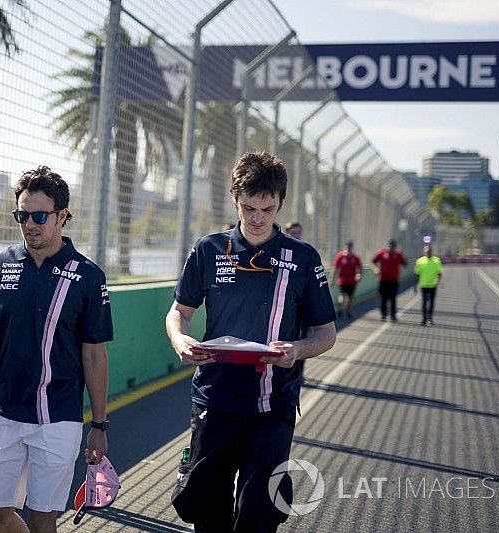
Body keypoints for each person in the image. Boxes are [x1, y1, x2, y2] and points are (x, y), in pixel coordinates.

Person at [165, 151, 337, 532]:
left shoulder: (303, 258)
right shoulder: (208, 249)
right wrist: (180, 339)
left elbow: (326, 334)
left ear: (279, 203)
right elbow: (178, 312)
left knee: (260, 514)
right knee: (205, 508)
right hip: (215, 398)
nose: (257, 218)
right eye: (249, 207)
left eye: (268, 208)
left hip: (273, 404)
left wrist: (297, 350)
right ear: (234, 199)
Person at [0, 165, 113, 533]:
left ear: (62, 215)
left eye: (39, 216)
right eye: (22, 215)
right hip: (0, 411)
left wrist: (99, 424)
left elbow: (94, 356)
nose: (29, 224)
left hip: (59, 415)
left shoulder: (88, 276)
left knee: (43, 517)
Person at [371, 239, 407, 322]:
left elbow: (404, 263)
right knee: (383, 298)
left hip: (394, 281)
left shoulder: (398, 254)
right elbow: (373, 261)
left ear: (395, 246)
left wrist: (405, 259)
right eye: (390, 245)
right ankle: (383, 315)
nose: (392, 247)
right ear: (388, 245)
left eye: (393, 245)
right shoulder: (382, 253)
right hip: (383, 280)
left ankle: (393, 315)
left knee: (393, 298)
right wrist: (376, 269)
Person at [333, 241, 363, 318]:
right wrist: (332, 279)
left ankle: (348, 310)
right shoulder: (340, 256)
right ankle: (340, 309)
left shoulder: (355, 258)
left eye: (350, 247)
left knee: (350, 297)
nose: (348, 248)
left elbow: (359, 268)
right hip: (342, 280)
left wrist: (359, 275)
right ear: (345, 247)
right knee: (342, 295)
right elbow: (336, 269)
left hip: (352, 281)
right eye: (347, 246)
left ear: (352, 247)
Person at [414, 245, 442, 326]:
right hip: (424, 285)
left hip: (433, 285)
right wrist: (415, 286)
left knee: (432, 303)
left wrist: (438, 281)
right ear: (424, 252)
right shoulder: (420, 261)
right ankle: (424, 319)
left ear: (431, 252)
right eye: (426, 252)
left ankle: (430, 318)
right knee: (424, 302)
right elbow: (417, 274)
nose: (428, 253)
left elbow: (439, 273)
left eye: (429, 251)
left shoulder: (436, 261)